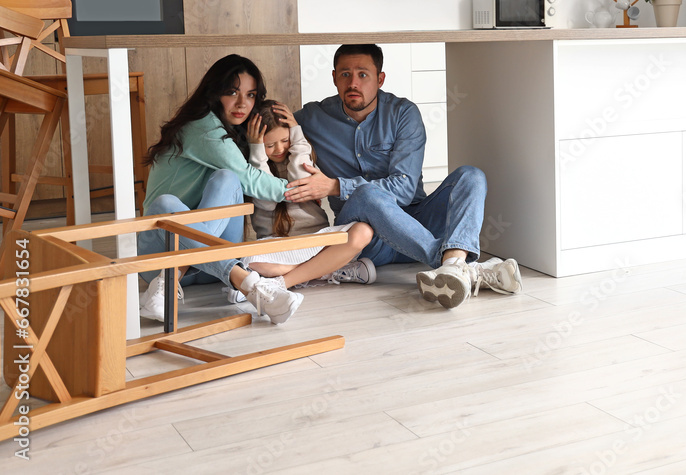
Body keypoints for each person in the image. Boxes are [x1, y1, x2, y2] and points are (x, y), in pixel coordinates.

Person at [285, 44, 522, 309]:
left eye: (363, 74)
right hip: (366, 238)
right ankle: (456, 265)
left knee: (472, 176)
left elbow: (405, 189)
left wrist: (334, 186)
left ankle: (452, 266)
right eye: (345, 74)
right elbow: (271, 130)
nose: (353, 83)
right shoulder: (313, 117)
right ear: (333, 77)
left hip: (419, 221)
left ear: (380, 79)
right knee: (366, 194)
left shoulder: (402, 113)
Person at [138, 54, 305, 325]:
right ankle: (251, 287)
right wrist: (300, 189)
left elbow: (242, 178)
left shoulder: (232, 132)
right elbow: (250, 179)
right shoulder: (203, 127)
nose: (243, 103)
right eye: (232, 92)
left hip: (205, 269)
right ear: (214, 93)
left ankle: (170, 281)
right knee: (165, 205)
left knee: (227, 179)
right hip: (159, 256)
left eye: (251, 95)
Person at [237, 99, 376, 289]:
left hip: (315, 238)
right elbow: (268, 202)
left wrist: (298, 137)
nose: (279, 149)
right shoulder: (252, 169)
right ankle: (327, 270)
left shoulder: (301, 157)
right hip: (279, 245)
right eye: (269, 145)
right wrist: (257, 153)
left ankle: (284, 281)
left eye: (285, 140)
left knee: (363, 231)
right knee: (249, 261)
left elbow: (300, 184)